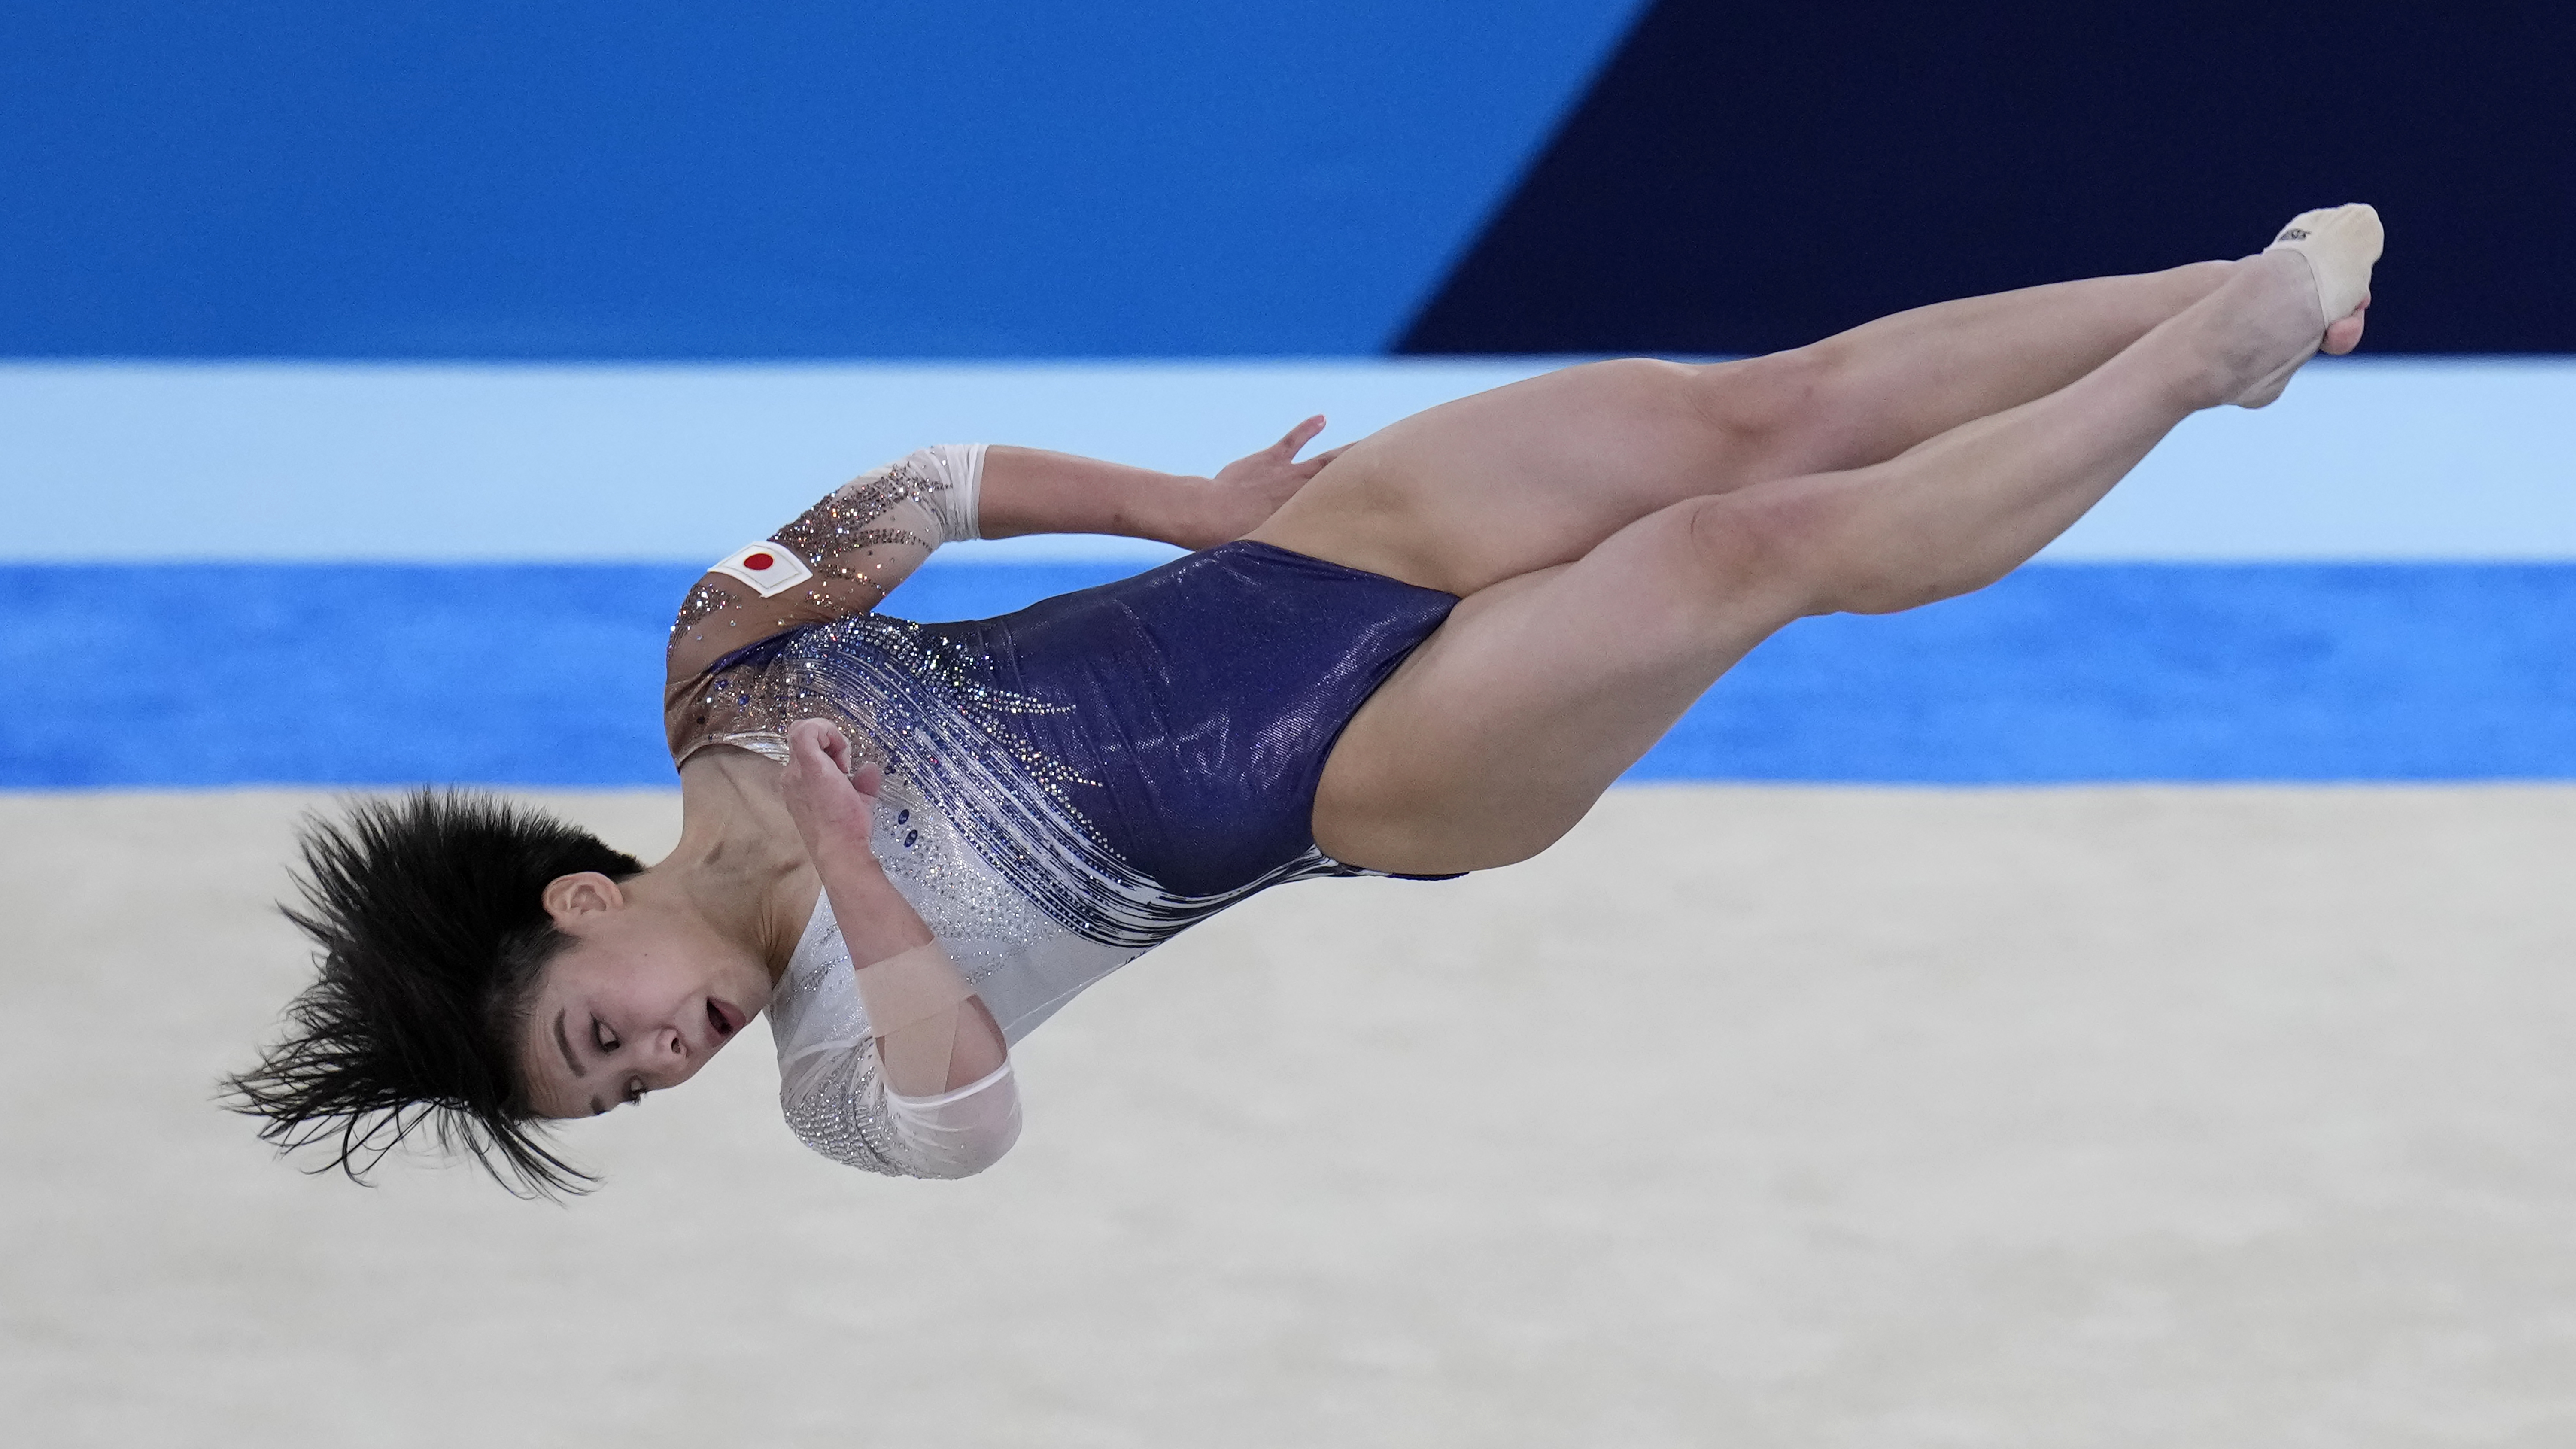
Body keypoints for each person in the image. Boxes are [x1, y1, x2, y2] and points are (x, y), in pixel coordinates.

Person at [228, 206, 2383, 1194]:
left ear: (584, 903)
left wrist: (1191, 502)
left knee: (1770, 411)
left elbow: (923, 489)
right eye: (623, 1098)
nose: (663, 1063)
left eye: (602, 1040)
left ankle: (2237, 289)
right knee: (1740, 555)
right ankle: (2208, 366)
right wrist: (873, 898)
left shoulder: (722, 652)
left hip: (1296, 567)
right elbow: (968, 1124)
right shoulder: (834, 1080)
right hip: (1365, 780)